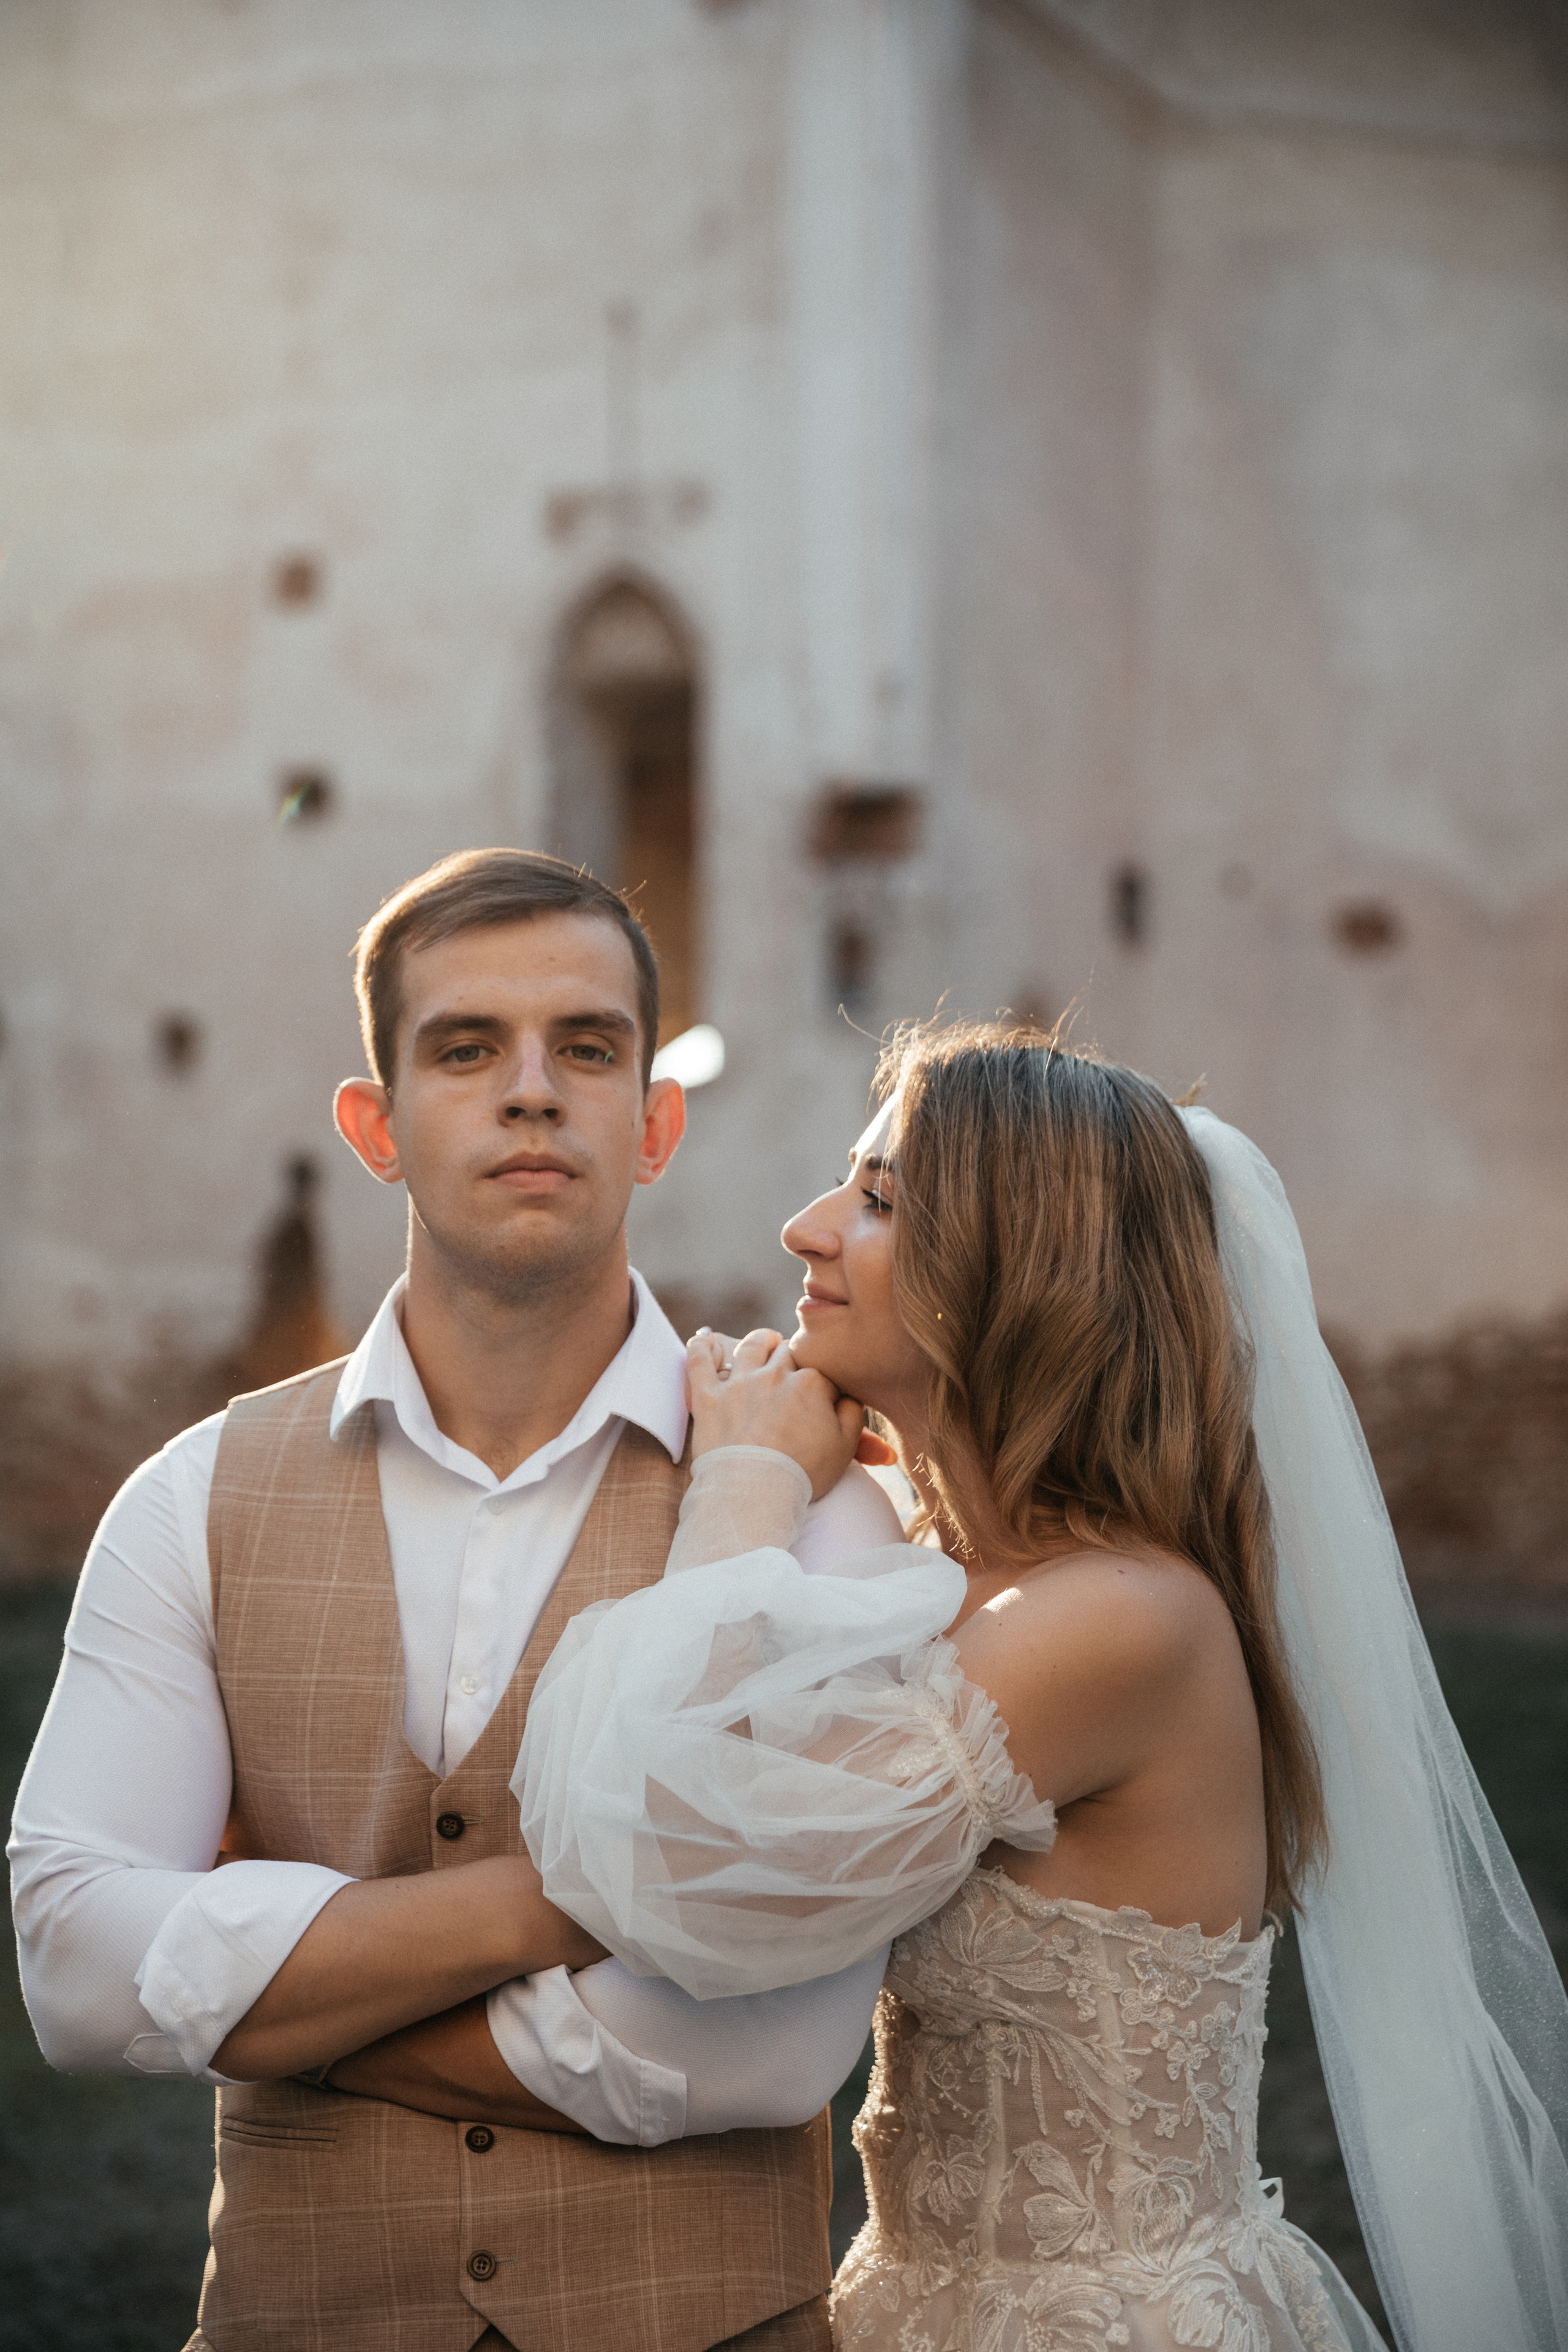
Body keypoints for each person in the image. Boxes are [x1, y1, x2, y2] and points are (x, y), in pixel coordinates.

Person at [517, 1022, 1568, 2352]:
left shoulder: (1117, 1624)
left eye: (877, 1198)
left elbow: (687, 1861)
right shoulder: (949, 1574)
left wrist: (744, 1485)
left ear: (1019, 1273)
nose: (802, 1228)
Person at [9, 848, 904, 2352]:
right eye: (466, 1047)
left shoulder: (812, 1494)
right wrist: (588, 1897)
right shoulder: (192, 1498)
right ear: (375, 1126)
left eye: (589, 1048)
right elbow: (75, 1963)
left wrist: (276, 1991)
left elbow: (768, 2047)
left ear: (654, 1121)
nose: (532, 1091)